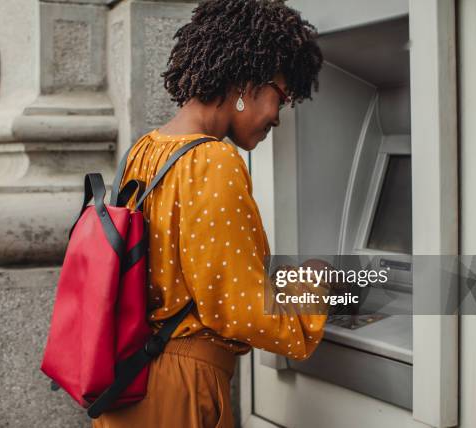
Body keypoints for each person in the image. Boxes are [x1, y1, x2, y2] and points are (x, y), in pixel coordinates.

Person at [92, 1, 327, 426]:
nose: (278, 114)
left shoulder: (145, 150)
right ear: (247, 80)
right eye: (282, 94)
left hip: (128, 380)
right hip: (177, 390)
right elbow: (239, 310)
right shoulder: (213, 160)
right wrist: (313, 287)